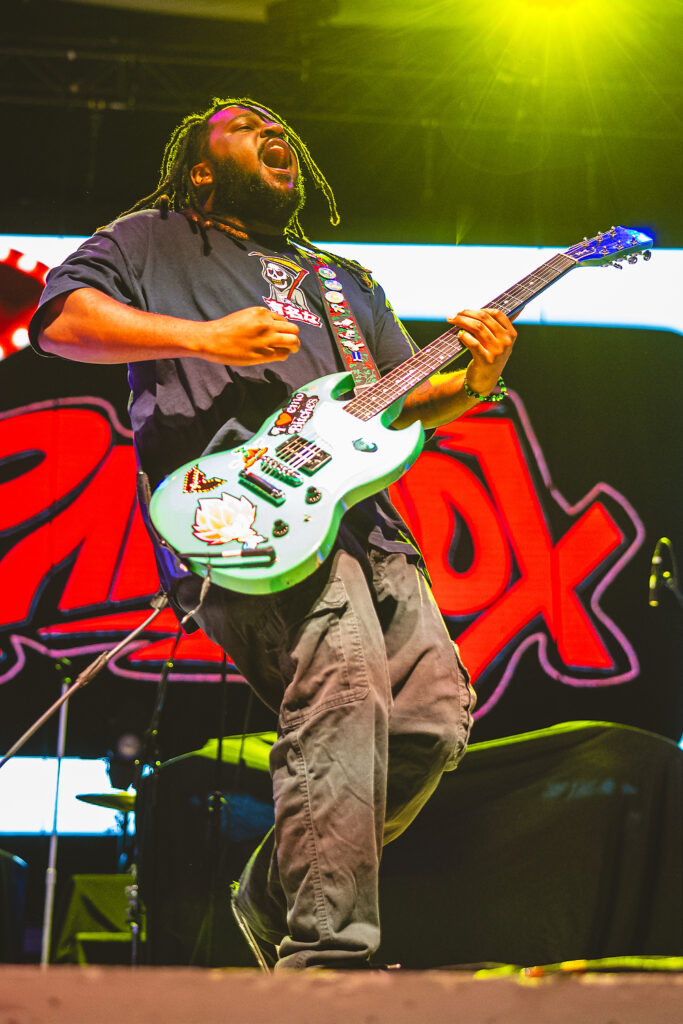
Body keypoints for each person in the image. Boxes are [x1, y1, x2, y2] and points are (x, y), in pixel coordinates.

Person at [29, 97, 517, 971]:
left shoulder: (343, 281)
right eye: (244, 124)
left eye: (278, 125)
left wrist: (475, 379)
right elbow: (59, 323)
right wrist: (204, 338)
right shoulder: (151, 239)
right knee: (343, 693)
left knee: (434, 722)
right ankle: (324, 959)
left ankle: (269, 896)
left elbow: (400, 403)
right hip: (246, 515)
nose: (272, 128)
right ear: (202, 168)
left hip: (368, 530)